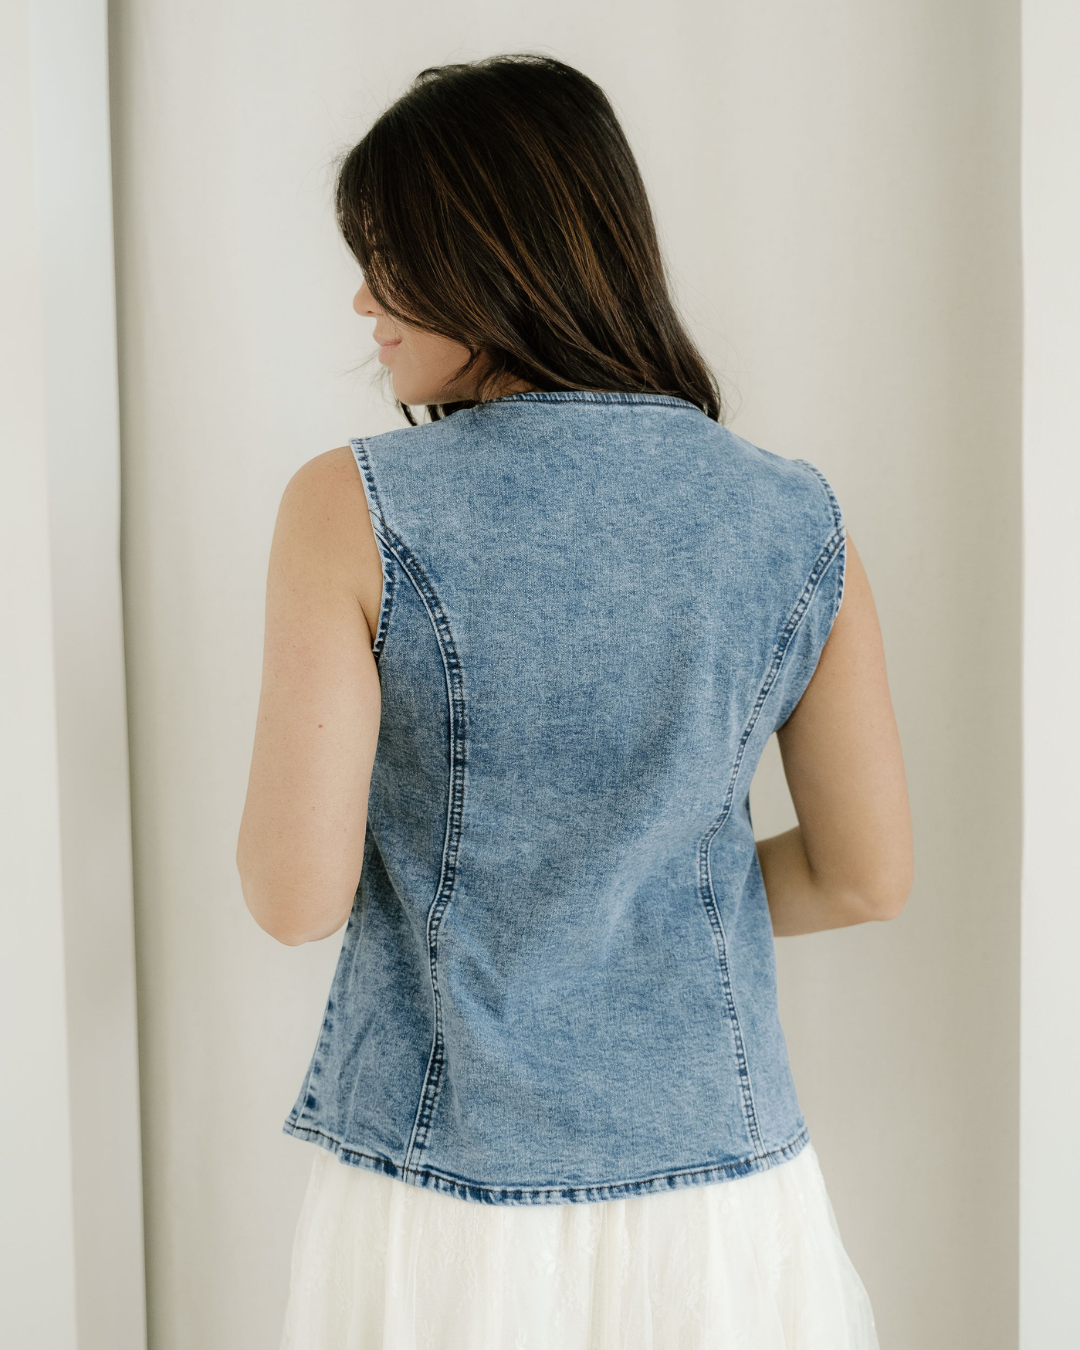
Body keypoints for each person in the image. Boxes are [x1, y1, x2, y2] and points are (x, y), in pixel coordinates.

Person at [236, 53, 913, 1350]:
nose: (364, 298)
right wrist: (640, 897)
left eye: (390, 257)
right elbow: (866, 875)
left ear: (489, 255)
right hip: (725, 1194)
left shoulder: (352, 505)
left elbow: (292, 895)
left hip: (443, 1187)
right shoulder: (791, 515)